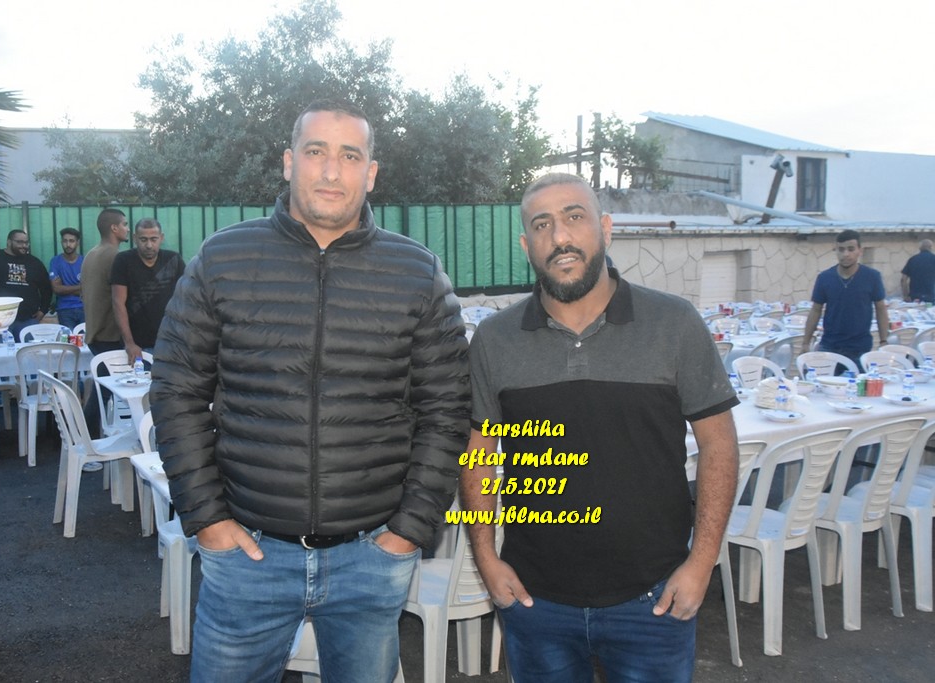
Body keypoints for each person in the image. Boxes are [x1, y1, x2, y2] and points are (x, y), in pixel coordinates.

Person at [149, 99, 469, 682]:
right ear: (288, 161)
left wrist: (409, 530)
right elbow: (175, 392)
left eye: (350, 155)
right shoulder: (223, 259)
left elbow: (446, 409)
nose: (330, 170)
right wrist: (208, 519)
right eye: (316, 151)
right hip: (247, 554)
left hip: (372, 557)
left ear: (370, 173)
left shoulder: (417, 272)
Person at [460, 173, 738, 683]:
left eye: (574, 217)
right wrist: (486, 558)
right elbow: (479, 454)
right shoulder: (495, 340)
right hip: (535, 600)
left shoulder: (674, 323)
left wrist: (702, 563)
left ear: (605, 228)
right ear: (526, 245)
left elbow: (719, 444)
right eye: (542, 225)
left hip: (654, 599)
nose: (560, 236)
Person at [801, 229, 889, 370]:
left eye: (850, 249)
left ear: (859, 251)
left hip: (860, 348)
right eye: (841, 249)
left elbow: (881, 309)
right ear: (836, 251)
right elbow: (816, 310)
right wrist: (806, 342)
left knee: (860, 384)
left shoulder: (872, 277)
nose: (846, 254)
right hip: (829, 346)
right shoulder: (825, 278)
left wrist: (884, 340)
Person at [80, 209, 129, 439]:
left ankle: (90, 437)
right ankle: (87, 440)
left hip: (95, 332)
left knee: (104, 390)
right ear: (114, 228)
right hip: (109, 334)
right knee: (103, 393)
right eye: (125, 224)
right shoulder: (114, 256)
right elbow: (122, 298)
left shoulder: (91, 254)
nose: (127, 229)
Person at [110, 218, 184, 364]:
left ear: (161, 238)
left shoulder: (173, 260)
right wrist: (129, 343)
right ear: (135, 238)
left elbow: (186, 298)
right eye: (143, 239)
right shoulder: (123, 261)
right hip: (138, 346)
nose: (149, 245)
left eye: (153, 239)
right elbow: (118, 303)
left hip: (170, 343)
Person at [0, 230, 52, 342]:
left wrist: (43, 310)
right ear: (9, 242)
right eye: (19, 242)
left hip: (27, 320)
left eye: (26, 242)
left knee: (29, 351)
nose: (24, 245)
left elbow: (46, 289)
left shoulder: (34, 263)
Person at [48, 227, 85, 332]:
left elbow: (89, 289)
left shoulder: (85, 261)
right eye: (65, 241)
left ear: (78, 243)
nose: (68, 244)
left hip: (84, 308)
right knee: (69, 339)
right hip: (64, 309)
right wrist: (80, 287)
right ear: (61, 242)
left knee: (86, 339)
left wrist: (64, 288)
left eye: (71, 241)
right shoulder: (55, 261)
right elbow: (57, 289)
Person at [900, 238, 935, 303]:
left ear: (920, 248)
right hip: (931, 296)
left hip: (915, 297)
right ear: (931, 247)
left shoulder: (912, 259)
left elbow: (903, 279)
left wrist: (906, 296)